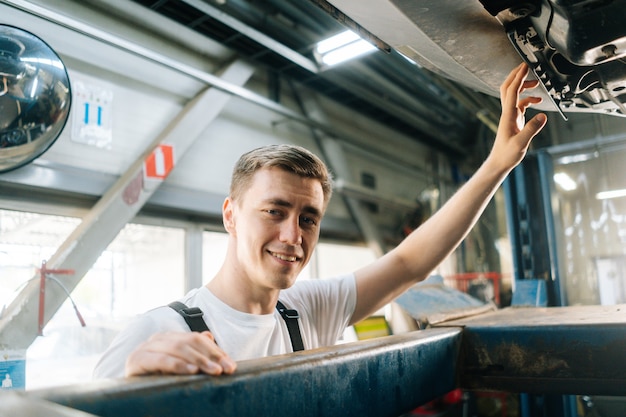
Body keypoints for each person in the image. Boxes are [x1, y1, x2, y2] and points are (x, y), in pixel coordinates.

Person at [93, 63, 547, 379]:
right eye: (274, 211)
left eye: (309, 218)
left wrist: (497, 165)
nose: (293, 236)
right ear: (230, 215)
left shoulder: (308, 310)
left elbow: (410, 263)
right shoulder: (157, 334)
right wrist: (133, 382)